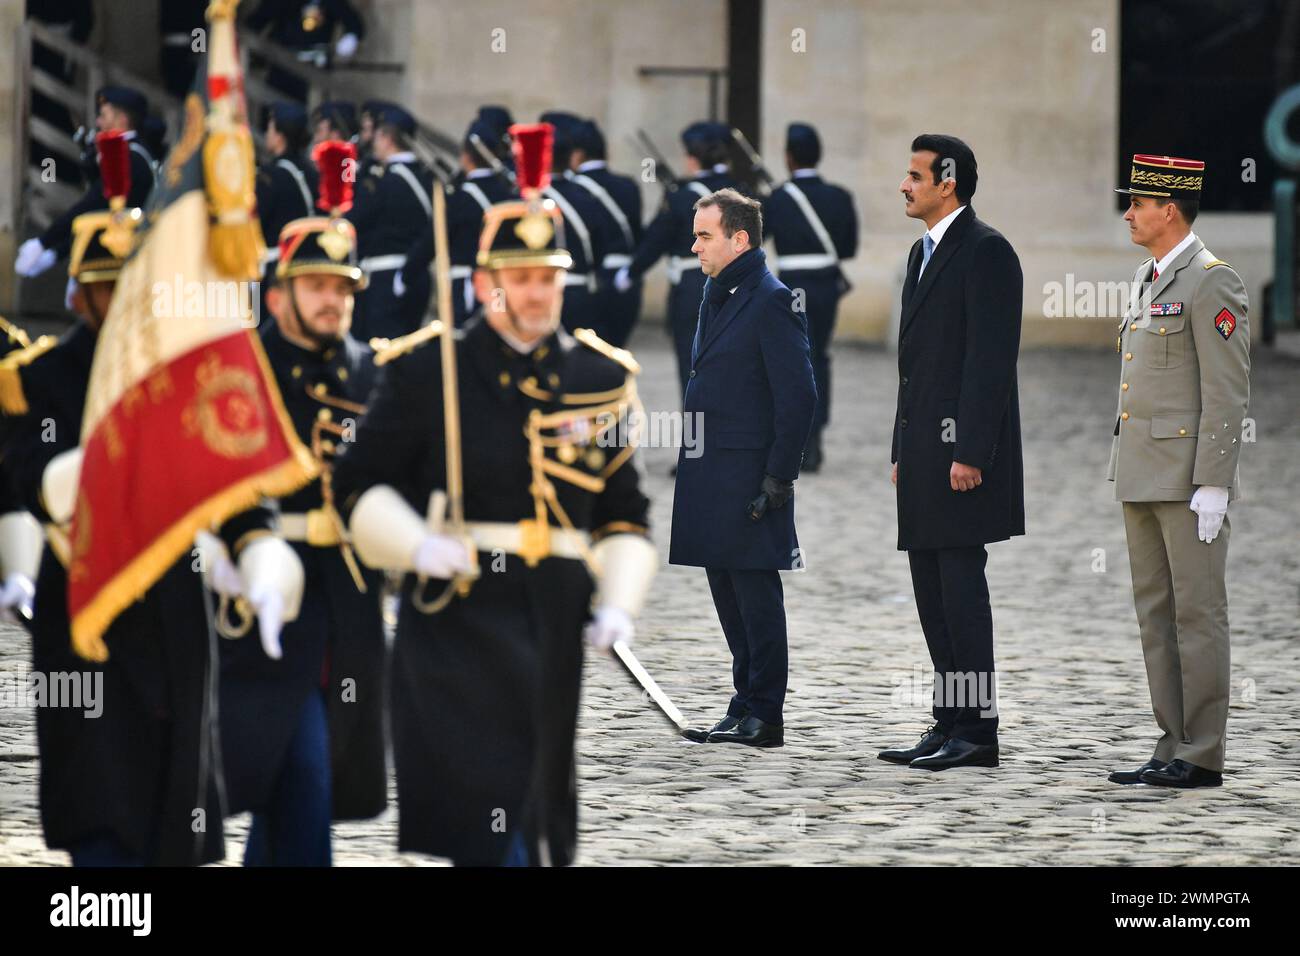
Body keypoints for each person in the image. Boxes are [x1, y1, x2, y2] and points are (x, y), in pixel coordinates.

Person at [332, 122, 656, 866]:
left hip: (551, 616)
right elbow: (357, 483)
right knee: (487, 813)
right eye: (523, 278)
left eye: (550, 278)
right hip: (457, 617)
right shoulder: (426, 372)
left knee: (539, 814)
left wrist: (618, 602)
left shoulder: (595, 378)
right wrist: (415, 544)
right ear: (486, 284)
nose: (540, 293)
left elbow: (624, 513)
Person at [2, 134, 301, 865]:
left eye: (132, 285)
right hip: (86, 617)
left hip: (176, 614)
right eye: (106, 288)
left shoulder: (186, 372)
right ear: (78, 294)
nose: (120, 302)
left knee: (181, 819)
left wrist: (259, 553)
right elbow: (34, 482)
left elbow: (231, 483)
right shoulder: (37, 381)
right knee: (100, 823)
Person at [220, 142, 388, 865]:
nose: (333, 300)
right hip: (262, 599)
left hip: (347, 604)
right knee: (301, 773)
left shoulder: (368, 369)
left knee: (297, 781)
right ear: (280, 292)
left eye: (343, 287)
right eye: (316, 285)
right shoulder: (243, 370)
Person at [878, 134, 1023, 771]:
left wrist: (970, 451)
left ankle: (979, 732)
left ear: (948, 181)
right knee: (931, 590)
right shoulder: (921, 252)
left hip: (964, 457)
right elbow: (915, 368)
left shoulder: (987, 251)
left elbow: (988, 363)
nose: (904, 186)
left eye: (914, 176)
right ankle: (950, 720)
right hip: (923, 453)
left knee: (962, 589)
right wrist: (902, 447)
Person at [1106, 155, 1249, 789]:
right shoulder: (1148, 274)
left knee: (1198, 613)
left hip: (1189, 478)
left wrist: (1214, 482)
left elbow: (1228, 391)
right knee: (1156, 615)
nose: (1129, 213)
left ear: (1171, 209)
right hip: (1142, 471)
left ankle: (1203, 749)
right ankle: (1172, 741)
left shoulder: (1212, 280)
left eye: (1138, 203)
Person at [672, 188, 817, 749]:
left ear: (739, 239)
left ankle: (766, 713)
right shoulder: (719, 291)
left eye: (705, 235)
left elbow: (799, 393)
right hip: (711, 468)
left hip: (750, 473)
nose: (695, 245)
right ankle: (744, 701)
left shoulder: (771, 298)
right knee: (726, 591)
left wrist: (779, 476)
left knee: (756, 594)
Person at [762, 123, 858, 471]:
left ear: (788, 157)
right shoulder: (840, 196)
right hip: (826, 286)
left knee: (798, 360)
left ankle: (801, 439)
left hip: (793, 286)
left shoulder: (779, 198)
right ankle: (816, 439)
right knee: (821, 357)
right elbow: (847, 248)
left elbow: (760, 237)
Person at [619, 122, 738, 395]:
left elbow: (656, 240)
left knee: (693, 366)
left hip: (694, 288)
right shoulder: (742, 190)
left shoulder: (682, 196)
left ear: (693, 157)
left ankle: (697, 436)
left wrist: (628, 274)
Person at [15, 86, 157, 278]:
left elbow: (92, 206)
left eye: (104, 116)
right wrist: (55, 254)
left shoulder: (128, 157)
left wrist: (44, 242)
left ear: (122, 120)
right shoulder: (130, 153)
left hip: (120, 259)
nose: (98, 122)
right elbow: (98, 215)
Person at [400, 117, 516, 324]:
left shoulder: (460, 197)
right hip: (500, 284)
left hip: (467, 284)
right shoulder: (507, 193)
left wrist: (407, 274)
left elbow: (434, 238)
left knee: (465, 339)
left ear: (466, 156)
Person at [346, 104, 435, 341]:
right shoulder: (426, 177)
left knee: (380, 351)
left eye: (377, 135)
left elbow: (353, 219)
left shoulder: (385, 180)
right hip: (416, 276)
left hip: (384, 278)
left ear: (386, 138)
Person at [569, 118, 644, 347]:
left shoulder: (573, 188)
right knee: (618, 351)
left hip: (597, 280)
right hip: (628, 279)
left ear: (578, 155)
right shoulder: (628, 185)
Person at [538, 111, 610, 335]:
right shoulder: (586, 196)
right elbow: (600, 247)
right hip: (582, 291)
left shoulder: (531, 200)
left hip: (544, 291)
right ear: (570, 158)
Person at [255, 102, 319, 300]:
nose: (267, 134)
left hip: (273, 268)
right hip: (302, 263)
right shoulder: (311, 172)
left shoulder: (271, 174)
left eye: (270, 128)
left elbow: (256, 220)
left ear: (281, 135)